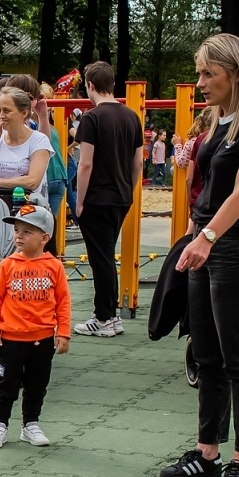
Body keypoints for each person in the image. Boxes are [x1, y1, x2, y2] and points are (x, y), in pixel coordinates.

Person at [161, 33, 239, 477]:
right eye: (199, 72)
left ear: (235, 72)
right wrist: (197, 232)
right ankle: (207, 451)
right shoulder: (217, 119)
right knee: (206, 354)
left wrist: (208, 237)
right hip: (207, 243)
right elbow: (207, 186)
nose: (200, 81)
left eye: (209, 73)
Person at [0, 206, 70, 450]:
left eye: (27, 232)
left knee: (37, 384)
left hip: (42, 340)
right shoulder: (7, 265)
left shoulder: (54, 267)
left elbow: (63, 302)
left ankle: (30, 424)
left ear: (44, 238)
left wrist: (63, 332)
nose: (19, 236)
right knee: (6, 383)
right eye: (17, 230)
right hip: (10, 340)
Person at [73, 61, 143, 338]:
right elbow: (138, 162)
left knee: (100, 259)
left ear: (90, 85)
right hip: (121, 195)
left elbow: (85, 164)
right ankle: (110, 315)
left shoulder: (92, 118)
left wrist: (79, 200)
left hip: (98, 197)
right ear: (113, 84)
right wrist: (129, 188)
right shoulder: (131, 116)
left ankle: (104, 316)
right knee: (105, 256)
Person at [0, 87, 51, 216]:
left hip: (29, 209)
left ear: (24, 113)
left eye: (6, 111)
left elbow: (32, 181)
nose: (1, 116)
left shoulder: (39, 140)